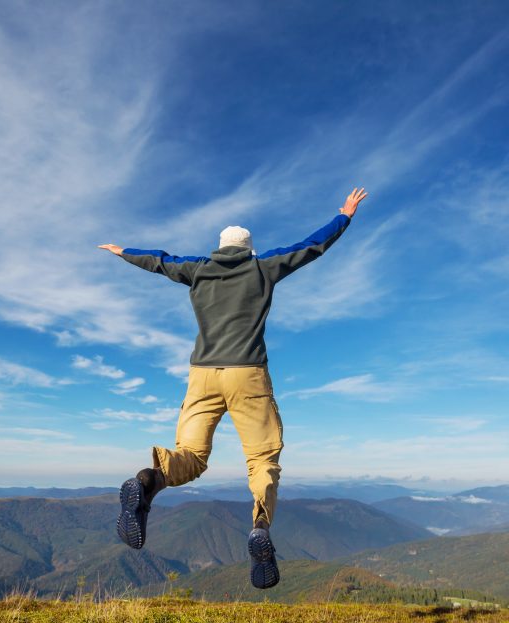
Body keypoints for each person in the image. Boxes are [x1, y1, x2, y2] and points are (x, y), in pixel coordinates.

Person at [98, 187, 368, 589]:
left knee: (190, 456)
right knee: (262, 459)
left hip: (202, 375)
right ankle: (260, 527)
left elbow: (160, 261)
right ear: (249, 249)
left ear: (220, 248)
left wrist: (124, 251)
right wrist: (343, 216)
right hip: (248, 375)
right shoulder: (263, 268)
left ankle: (146, 482)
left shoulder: (199, 269)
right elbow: (310, 247)